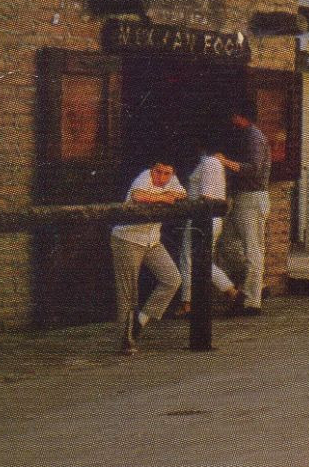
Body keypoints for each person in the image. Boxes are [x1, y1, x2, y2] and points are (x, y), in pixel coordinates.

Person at [109, 161, 187, 354]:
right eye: (157, 172)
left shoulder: (172, 180)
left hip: (152, 241)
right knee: (129, 292)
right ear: (152, 170)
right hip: (128, 238)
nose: (161, 177)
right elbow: (138, 195)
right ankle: (125, 341)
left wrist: (169, 195)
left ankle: (140, 321)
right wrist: (163, 197)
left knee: (172, 279)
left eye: (166, 173)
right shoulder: (143, 177)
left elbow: (182, 194)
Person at [173, 141, 240, 318]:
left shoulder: (210, 163)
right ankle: (231, 292)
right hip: (207, 218)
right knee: (201, 260)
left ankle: (188, 303)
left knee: (188, 259)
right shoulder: (210, 163)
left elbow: (207, 196)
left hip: (202, 218)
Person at [218, 108, 270, 316]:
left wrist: (225, 162)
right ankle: (254, 285)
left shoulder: (254, 137)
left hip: (252, 196)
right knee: (226, 244)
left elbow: (253, 168)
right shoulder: (243, 136)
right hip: (241, 197)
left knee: (253, 248)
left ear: (240, 116)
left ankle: (251, 301)